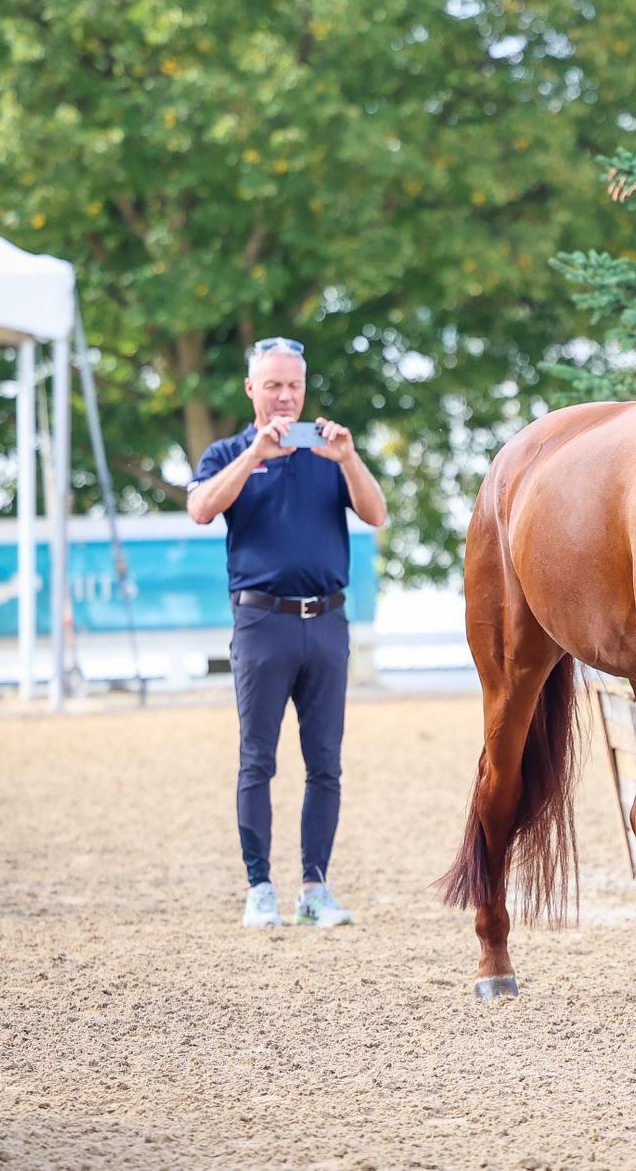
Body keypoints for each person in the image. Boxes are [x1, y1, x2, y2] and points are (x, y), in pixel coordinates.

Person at [187, 337, 387, 931]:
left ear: (304, 388)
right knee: (258, 761)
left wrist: (348, 457)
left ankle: (314, 888)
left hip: (326, 622)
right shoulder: (227, 452)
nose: (284, 396)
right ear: (251, 388)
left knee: (325, 763)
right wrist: (254, 454)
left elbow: (376, 514)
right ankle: (259, 889)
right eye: (272, 385)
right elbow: (200, 509)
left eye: (293, 385)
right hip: (260, 624)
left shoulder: (328, 451)